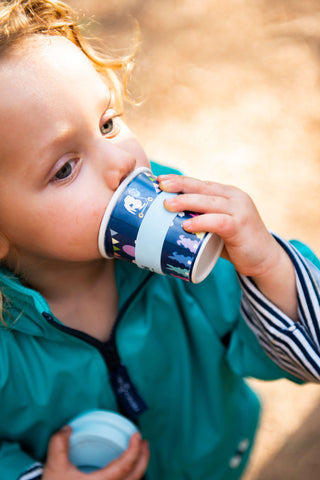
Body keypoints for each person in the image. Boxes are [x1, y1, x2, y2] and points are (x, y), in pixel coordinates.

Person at [1, 1, 320, 480]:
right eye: (65, 168)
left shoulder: (184, 236)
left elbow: (309, 357)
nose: (119, 163)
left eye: (108, 123)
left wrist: (269, 266)